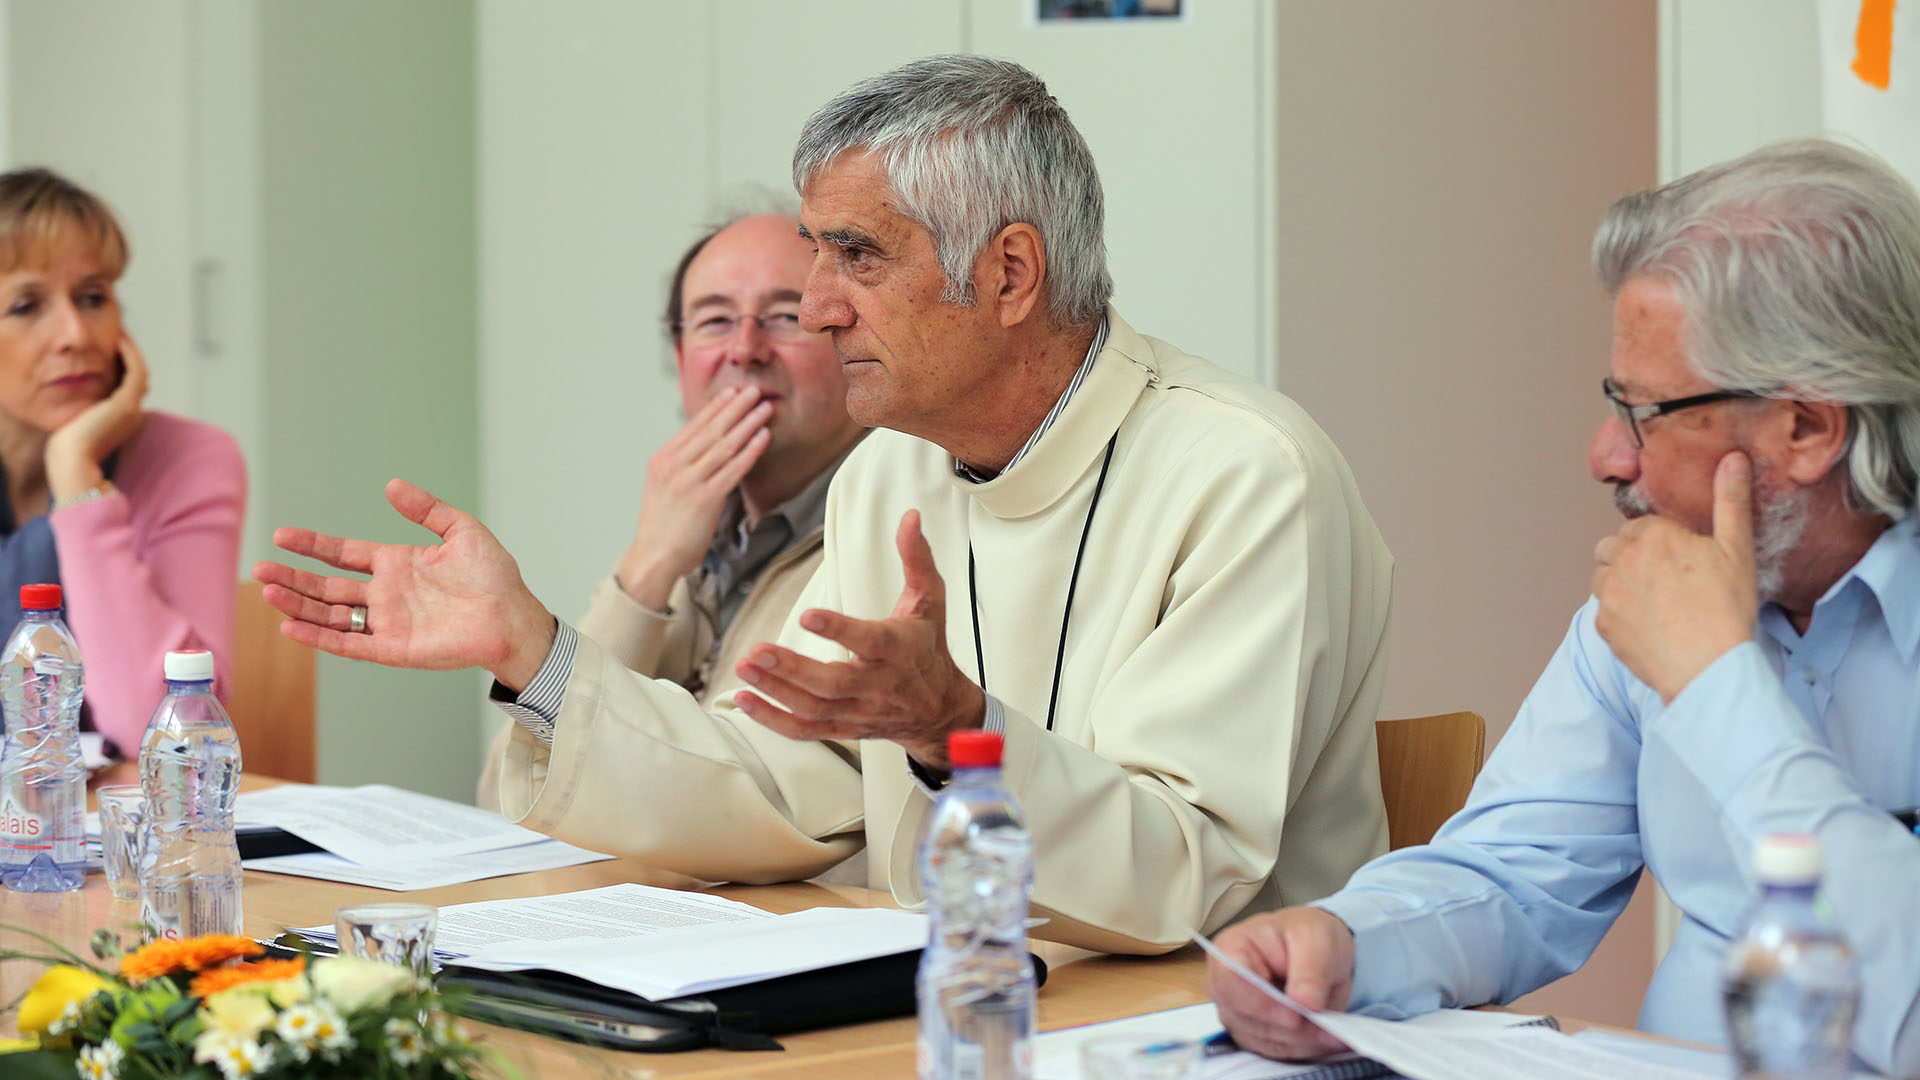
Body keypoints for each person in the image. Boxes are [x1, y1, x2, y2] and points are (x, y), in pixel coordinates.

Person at [255, 55, 1393, 954]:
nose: (817, 306)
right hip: (955, 1002)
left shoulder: (1246, 473)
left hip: (1199, 1031)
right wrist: (537, 651)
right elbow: (795, 785)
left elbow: (1185, 878)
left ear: (1008, 274)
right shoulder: (898, 464)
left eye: (854, 256)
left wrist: (953, 729)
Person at [1206, 138, 1920, 1075]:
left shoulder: (1681, 623)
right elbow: (1515, 872)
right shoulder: (1656, 598)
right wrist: (1347, 944)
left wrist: (1715, 687)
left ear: (1807, 429)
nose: (1606, 456)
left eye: (1647, 413)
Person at [475, 210, 866, 809]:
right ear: (680, 357)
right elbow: (512, 792)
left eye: (785, 316)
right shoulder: (689, 531)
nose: (744, 349)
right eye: (715, 321)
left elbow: (764, 808)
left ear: (849, 337)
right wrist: (648, 569)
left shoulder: (887, 527)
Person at [0, 168, 246, 757]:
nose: (74, 334)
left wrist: (77, 479)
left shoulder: (190, 460)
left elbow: (163, 732)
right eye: (27, 305)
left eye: (93, 297)